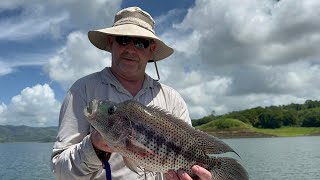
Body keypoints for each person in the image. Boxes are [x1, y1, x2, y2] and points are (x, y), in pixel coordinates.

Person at [51, 6, 212, 180]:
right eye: (123, 39)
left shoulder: (172, 99)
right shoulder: (82, 90)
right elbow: (60, 172)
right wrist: (93, 146)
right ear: (111, 42)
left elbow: (191, 154)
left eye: (140, 42)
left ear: (151, 50)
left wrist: (195, 177)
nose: (130, 49)